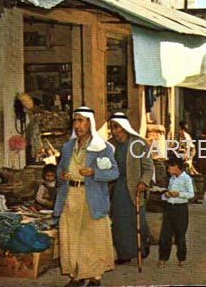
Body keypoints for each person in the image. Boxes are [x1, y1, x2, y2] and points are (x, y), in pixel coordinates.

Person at [54, 106, 119, 287]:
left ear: (90, 123)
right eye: (75, 121)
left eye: (81, 120)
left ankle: (94, 278)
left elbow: (114, 172)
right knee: (71, 237)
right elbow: (60, 168)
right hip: (70, 197)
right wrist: (61, 175)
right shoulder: (67, 147)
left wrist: (94, 172)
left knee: (92, 239)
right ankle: (76, 276)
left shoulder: (103, 148)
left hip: (92, 198)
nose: (77, 125)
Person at [108, 112, 154, 265]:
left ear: (125, 128)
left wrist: (143, 182)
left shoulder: (138, 144)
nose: (114, 131)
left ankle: (144, 243)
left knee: (137, 220)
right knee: (120, 221)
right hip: (118, 187)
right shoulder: (110, 145)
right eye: (112, 128)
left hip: (135, 187)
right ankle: (124, 253)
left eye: (117, 127)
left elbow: (148, 168)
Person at [158, 156, 194, 268]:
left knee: (180, 235)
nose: (168, 170)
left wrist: (179, 194)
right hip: (169, 208)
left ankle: (181, 258)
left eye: (169, 167)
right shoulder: (172, 179)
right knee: (165, 234)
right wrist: (165, 195)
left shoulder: (186, 179)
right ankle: (163, 258)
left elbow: (191, 194)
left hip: (180, 209)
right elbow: (166, 193)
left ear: (176, 167)